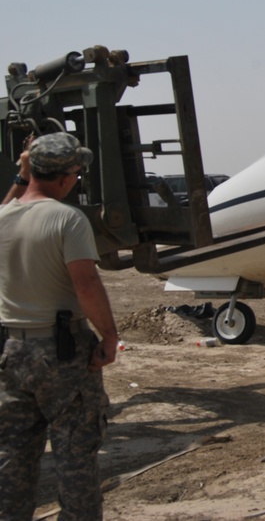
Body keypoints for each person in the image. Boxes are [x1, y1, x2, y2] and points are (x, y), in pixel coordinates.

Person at [0, 133, 118, 521]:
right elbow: (86, 284)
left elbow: (8, 210)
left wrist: (21, 175)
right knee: (75, 455)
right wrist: (109, 337)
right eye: (77, 172)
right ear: (67, 178)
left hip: (10, 353)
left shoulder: (4, 216)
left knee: (12, 456)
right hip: (62, 354)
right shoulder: (67, 218)